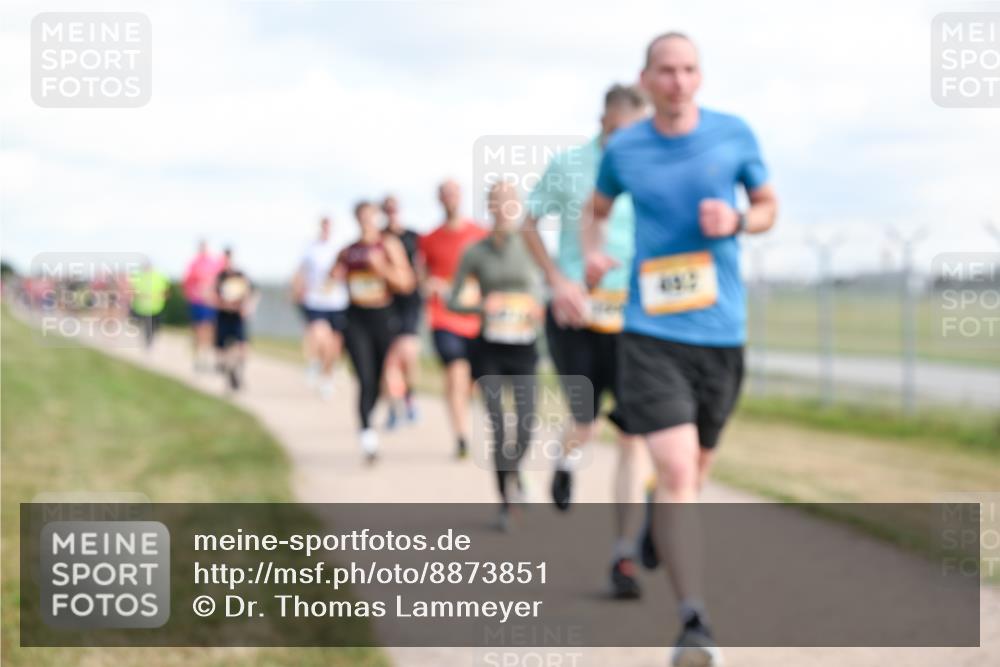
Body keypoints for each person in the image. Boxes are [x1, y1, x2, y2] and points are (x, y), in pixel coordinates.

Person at [582, 32, 778, 667]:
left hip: (720, 334)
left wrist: (740, 220)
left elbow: (769, 205)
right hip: (650, 333)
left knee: (693, 475)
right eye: (666, 71)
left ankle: (657, 522)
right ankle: (695, 620)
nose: (678, 81)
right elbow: (596, 209)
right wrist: (591, 251)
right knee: (674, 469)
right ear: (646, 77)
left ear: (701, 77)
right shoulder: (627, 147)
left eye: (689, 69)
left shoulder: (734, 135)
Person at [522, 83, 649, 600]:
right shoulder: (570, 165)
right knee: (586, 424)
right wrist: (556, 278)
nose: (630, 144)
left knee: (632, 435)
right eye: (622, 133)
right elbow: (528, 220)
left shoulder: (651, 166)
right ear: (604, 123)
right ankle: (565, 457)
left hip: (637, 316)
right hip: (576, 313)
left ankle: (624, 556)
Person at [448, 181, 542, 531]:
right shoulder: (475, 252)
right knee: (499, 427)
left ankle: (514, 472)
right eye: (496, 201)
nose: (503, 207)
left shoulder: (532, 246)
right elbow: (451, 300)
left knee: (528, 424)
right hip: (488, 350)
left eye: (509, 201)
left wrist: (540, 306)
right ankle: (506, 502)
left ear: (517, 205)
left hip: (524, 348)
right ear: (489, 206)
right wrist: (479, 305)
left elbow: (551, 286)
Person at [332, 201, 415, 463]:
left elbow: (406, 282)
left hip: (382, 317)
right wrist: (336, 275)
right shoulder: (348, 250)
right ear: (356, 219)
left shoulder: (388, 245)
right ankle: (367, 434)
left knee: (379, 377)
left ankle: (382, 411)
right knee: (364, 377)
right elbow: (333, 276)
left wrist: (382, 269)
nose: (366, 221)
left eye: (371, 216)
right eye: (362, 217)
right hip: (356, 318)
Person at [419, 180, 489, 459]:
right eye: (444, 194)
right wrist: (431, 285)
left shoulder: (479, 233)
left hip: (475, 319)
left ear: (461, 197)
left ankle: (471, 421)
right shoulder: (429, 239)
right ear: (439, 199)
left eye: (454, 193)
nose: (450, 198)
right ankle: (461, 437)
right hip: (444, 317)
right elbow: (421, 277)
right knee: (456, 373)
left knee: (474, 381)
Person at [292, 217, 348, 400]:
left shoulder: (340, 247)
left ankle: (327, 378)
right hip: (315, 300)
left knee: (333, 345)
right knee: (319, 334)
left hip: (338, 301)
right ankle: (316, 362)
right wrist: (297, 288)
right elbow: (300, 270)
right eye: (324, 226)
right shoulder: (310, 248)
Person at [381, 195, 423, 428]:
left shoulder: (413, 237)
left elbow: (423, 265)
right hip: (385, 304)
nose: (391, 212)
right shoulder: (378, 238)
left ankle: (409, 397)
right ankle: (393, 408)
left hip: (409, 302)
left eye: (394, 208)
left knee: (408, 354)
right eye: (387, 209)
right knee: (389, 360)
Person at [213, 247, 258, 393]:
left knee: (242, 348)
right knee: (222, 352)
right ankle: (229, 375)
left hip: (238, 316)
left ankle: (238, 373)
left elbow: (253, 293)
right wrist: (223, 304)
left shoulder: (241, 276)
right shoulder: (220, 277)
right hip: (223, 315)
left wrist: (248, 307)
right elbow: (211, 295)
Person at [182, 240, 224, 371]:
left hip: (210, 302)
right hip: (197, 301)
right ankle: (198, 355)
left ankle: (204, 354)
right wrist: (190, 296)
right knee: (198, 329)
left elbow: (221, 281)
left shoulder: (215, 263)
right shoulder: (194, 263)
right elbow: (187, 282)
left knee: (209, 328)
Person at [127, 259, 171, 349]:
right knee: (146, 325)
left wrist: (162, 297)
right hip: (142, 307)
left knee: (154, 326)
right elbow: (132, 290)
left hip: (157, 307)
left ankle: (150, 339)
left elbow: (166, 291)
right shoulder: (138, 277)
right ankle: (148, 342)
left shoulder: (159, 276)